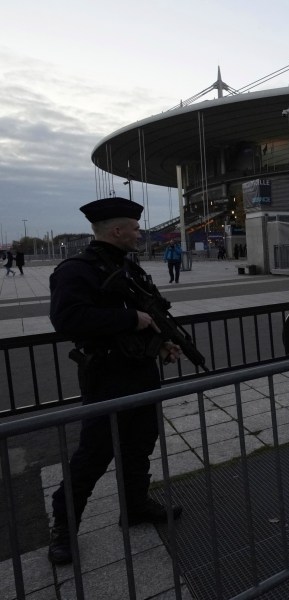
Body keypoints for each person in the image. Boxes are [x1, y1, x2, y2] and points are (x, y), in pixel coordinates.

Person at [47, 197, 184, 566]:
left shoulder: (129, 268)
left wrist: (162, 344)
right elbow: (68, 320)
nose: (140, 234)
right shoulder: (76, 270)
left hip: (140, 372)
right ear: (117, 230)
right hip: (107, 377)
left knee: (140, 444)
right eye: (136, 229)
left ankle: (136, 506)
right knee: (93, 455)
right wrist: (129, 320)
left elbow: (148, 316)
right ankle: (64, 527)